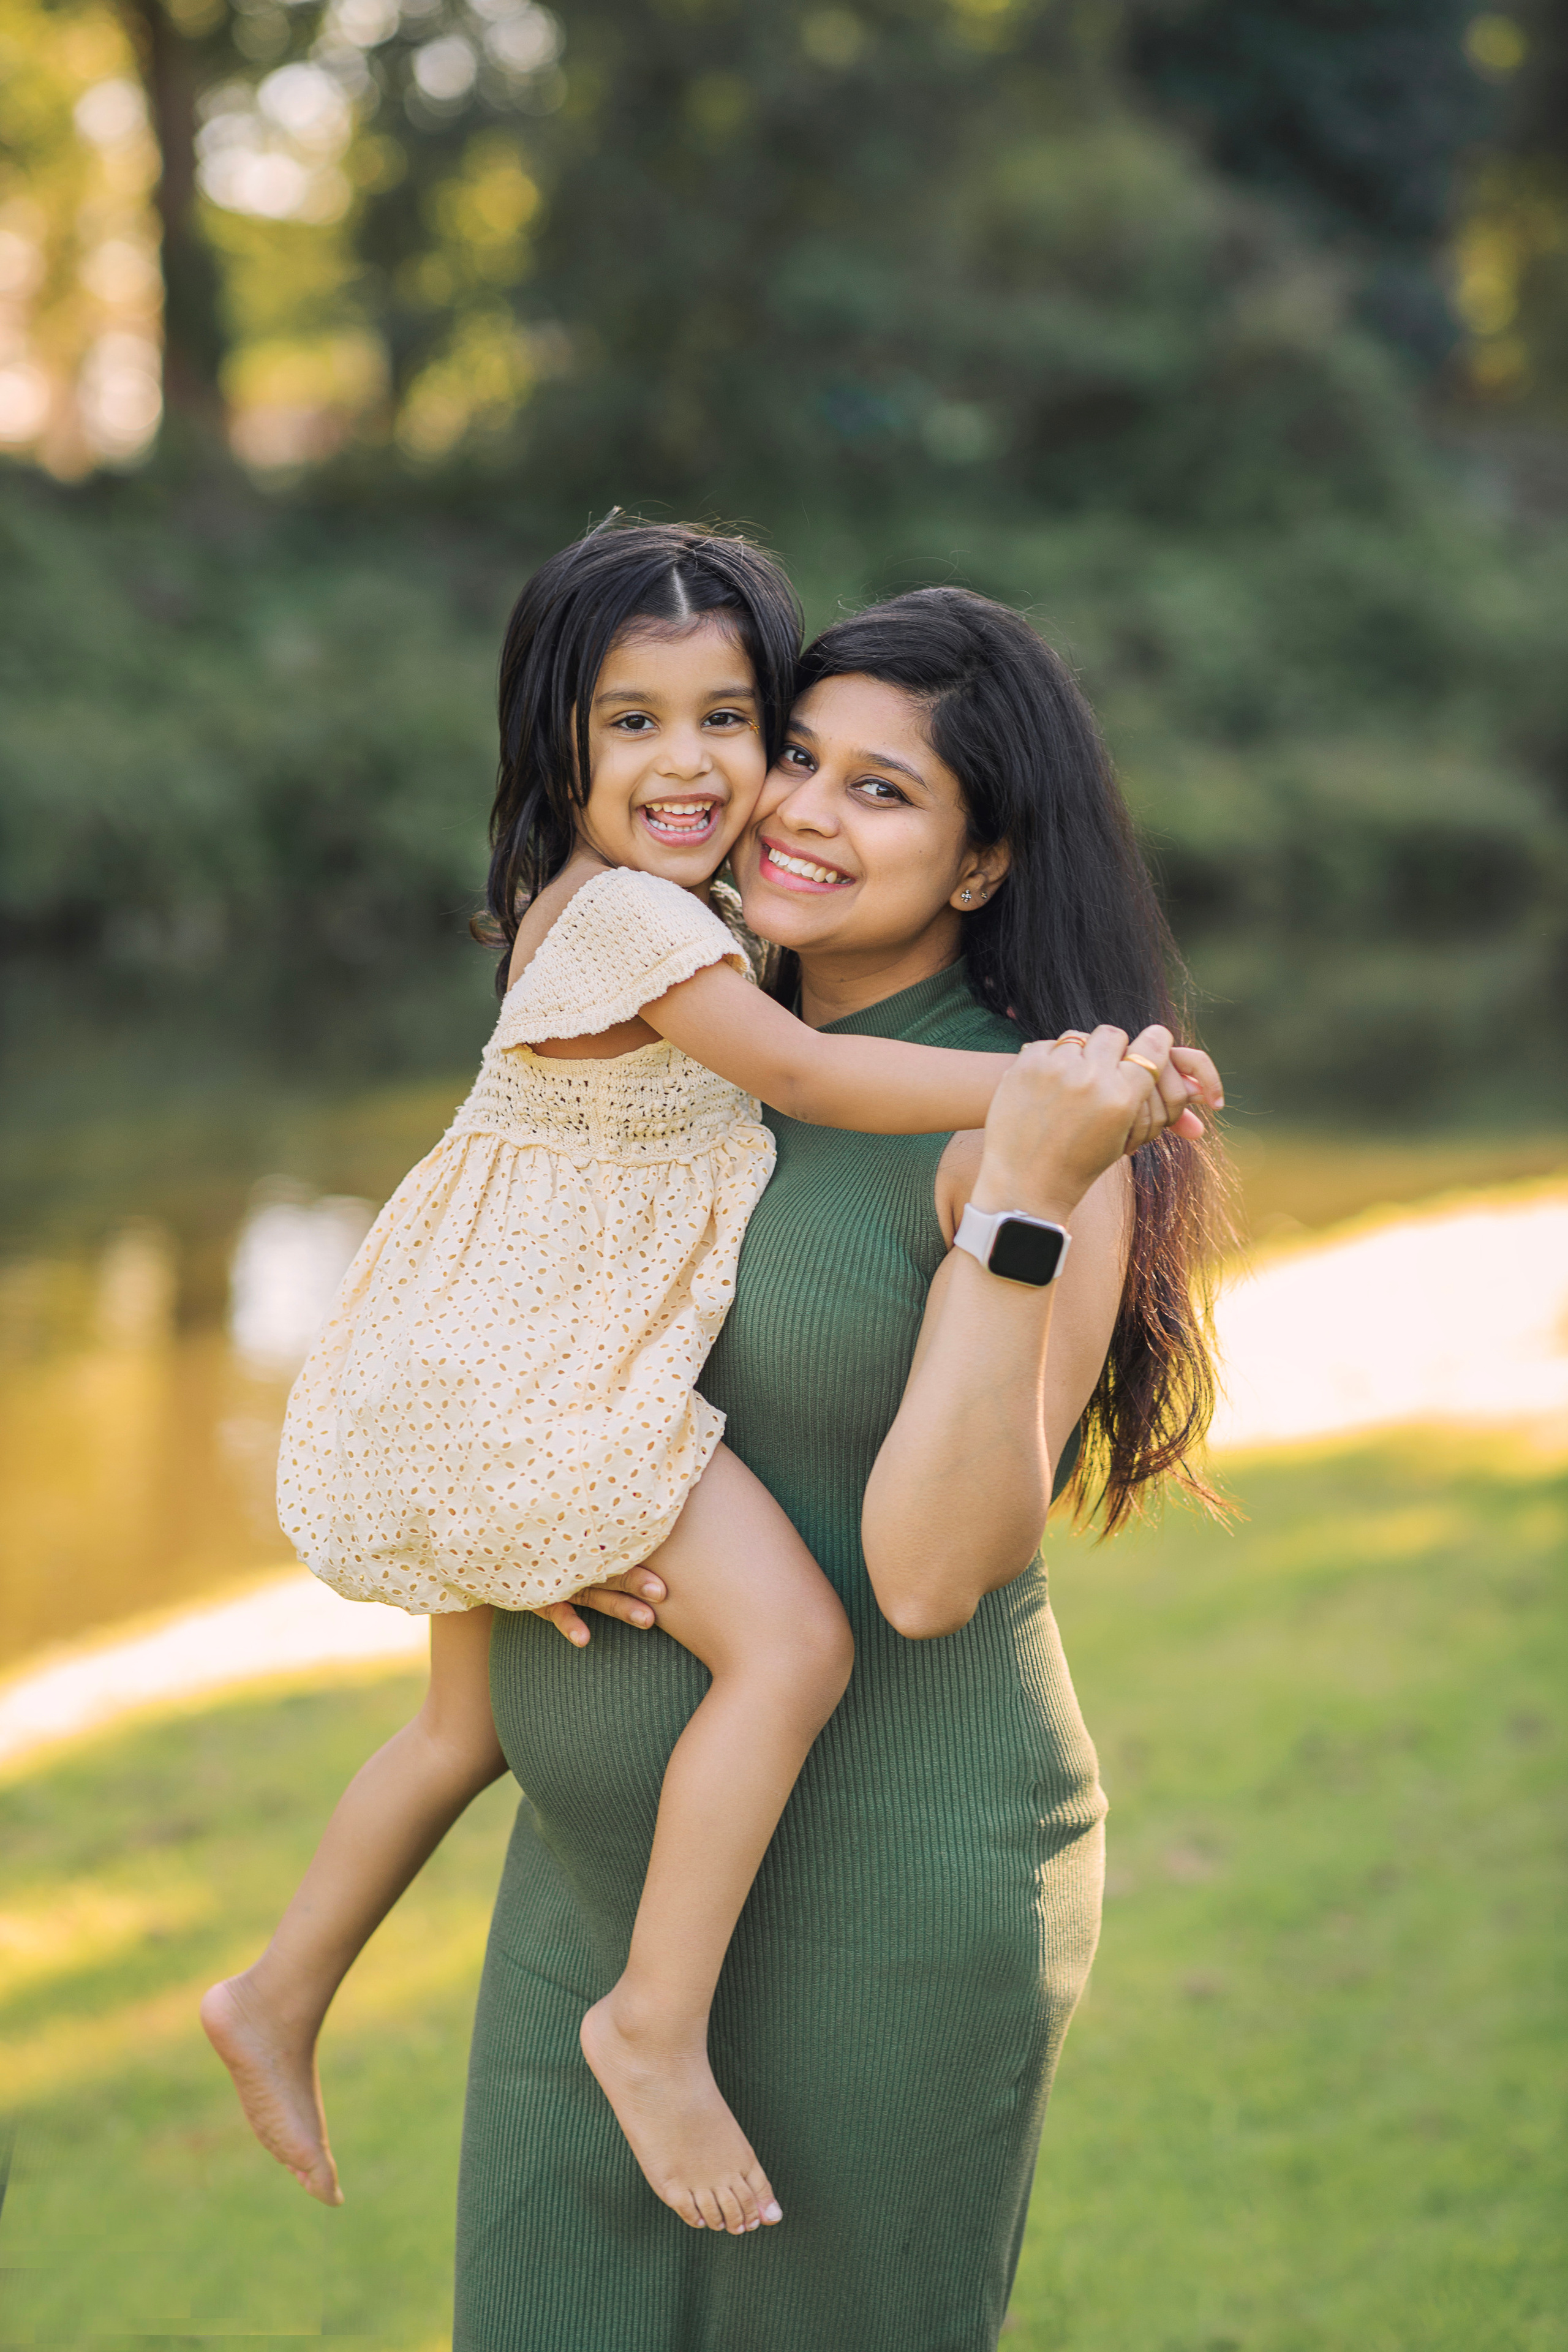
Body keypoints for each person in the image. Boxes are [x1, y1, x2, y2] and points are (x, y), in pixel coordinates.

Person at [199, 526, 1208, 2251]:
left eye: (868, 785)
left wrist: (1037, 1160)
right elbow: (804, 1075)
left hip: (872, 1910)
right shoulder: (694, 979)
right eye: (798, 754)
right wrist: (1044, 1089)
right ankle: (421, 2001)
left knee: (483, 1726)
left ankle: (320, 1992)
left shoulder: (901, 1084)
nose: (787, 801)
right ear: (564, 745)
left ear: (983, 863)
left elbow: (928, 1569)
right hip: (575, 1895)